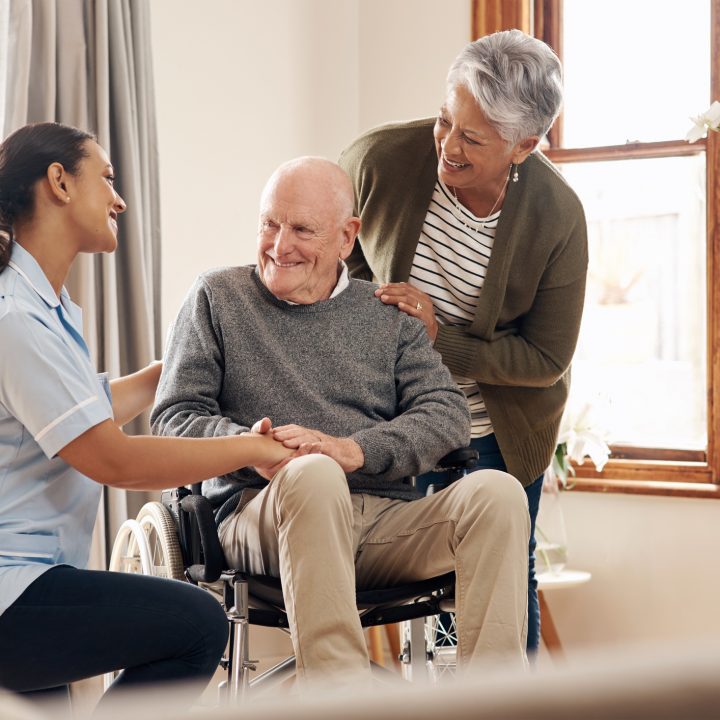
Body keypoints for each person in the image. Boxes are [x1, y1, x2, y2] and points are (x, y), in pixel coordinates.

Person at [151, 156, 531, 686]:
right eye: (269, 223)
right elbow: (173, 417)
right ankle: (340, 697)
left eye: (302, 229)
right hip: (260, 514)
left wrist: (352, 449)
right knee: (312, 474)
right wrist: (250, 445)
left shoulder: (386, 316)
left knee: (497, 494)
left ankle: (495, 702)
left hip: (380, 524)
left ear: (347, 237)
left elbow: (446, 415)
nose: (279, 246)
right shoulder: (217, 297)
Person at [0, 122, 294, 709]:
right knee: (198, 625)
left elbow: (83, 408)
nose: (120, 198)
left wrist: (186, 363)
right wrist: (252, 448)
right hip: (13, 593)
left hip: (34, 579)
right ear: (58, 181)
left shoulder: (44, 308)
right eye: (106, 178)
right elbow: (114, 458)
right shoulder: (15, 318)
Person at [339, 29, 588, 654]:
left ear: (523, 146)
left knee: (496, 581)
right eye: (446, 121)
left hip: (495, 432)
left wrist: (438, 340)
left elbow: (547, 359)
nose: (448, 146)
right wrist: (379, 312)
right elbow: (335, 255)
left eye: (472, 138)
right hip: (395, 422)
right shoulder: (380, 159)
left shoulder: (557, 216)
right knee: (399, 574)